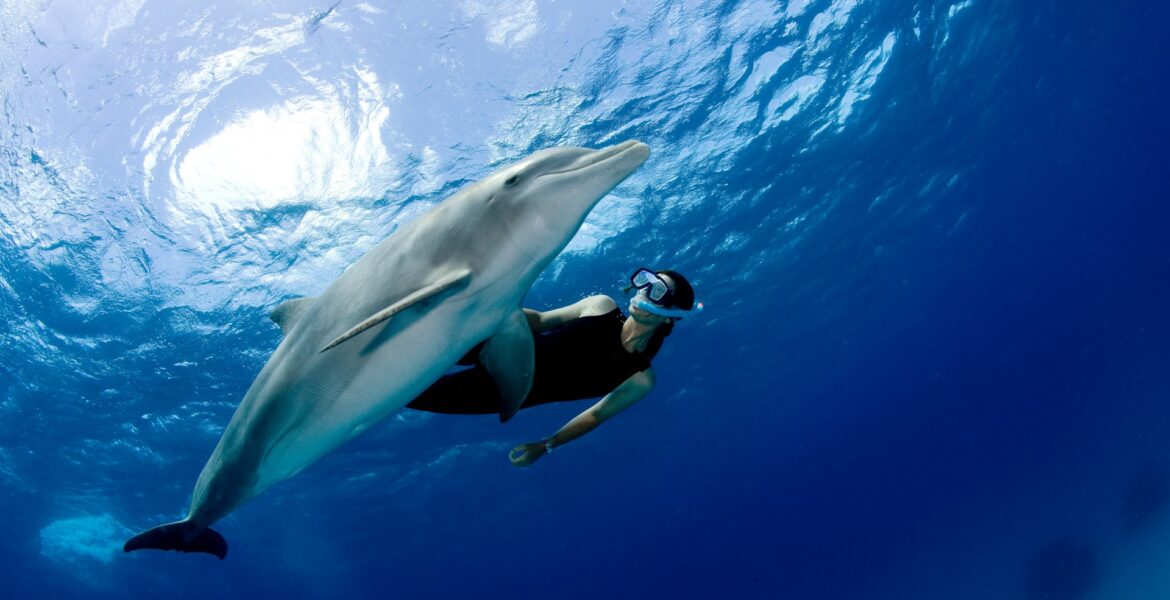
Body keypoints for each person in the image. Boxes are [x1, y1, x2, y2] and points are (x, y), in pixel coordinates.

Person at [407, 268, 698, 467]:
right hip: (502, 343)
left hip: (502, 394)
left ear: (671, 315)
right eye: (645, 283)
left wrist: (547, 445)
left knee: (411, 394)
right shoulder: (601, 306)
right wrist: (491, 311)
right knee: (422, 337)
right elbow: (542, 321)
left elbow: (596, 416)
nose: (644, 292)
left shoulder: (640, 379)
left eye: (657, 290)